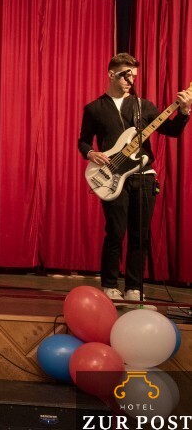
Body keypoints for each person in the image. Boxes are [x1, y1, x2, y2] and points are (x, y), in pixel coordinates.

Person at [78, 53, 191, 302]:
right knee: (115, 233)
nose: (130, 80)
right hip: (112, 177)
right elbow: (83, 141)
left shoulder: (144, 106)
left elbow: (171, 131)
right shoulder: (94, 108)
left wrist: (183, 112)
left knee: (140, 236)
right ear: (111, 74)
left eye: (134, 76)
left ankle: (134, 288)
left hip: (144, 176)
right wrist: (91, 153)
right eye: (125, 75)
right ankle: (109, 285)